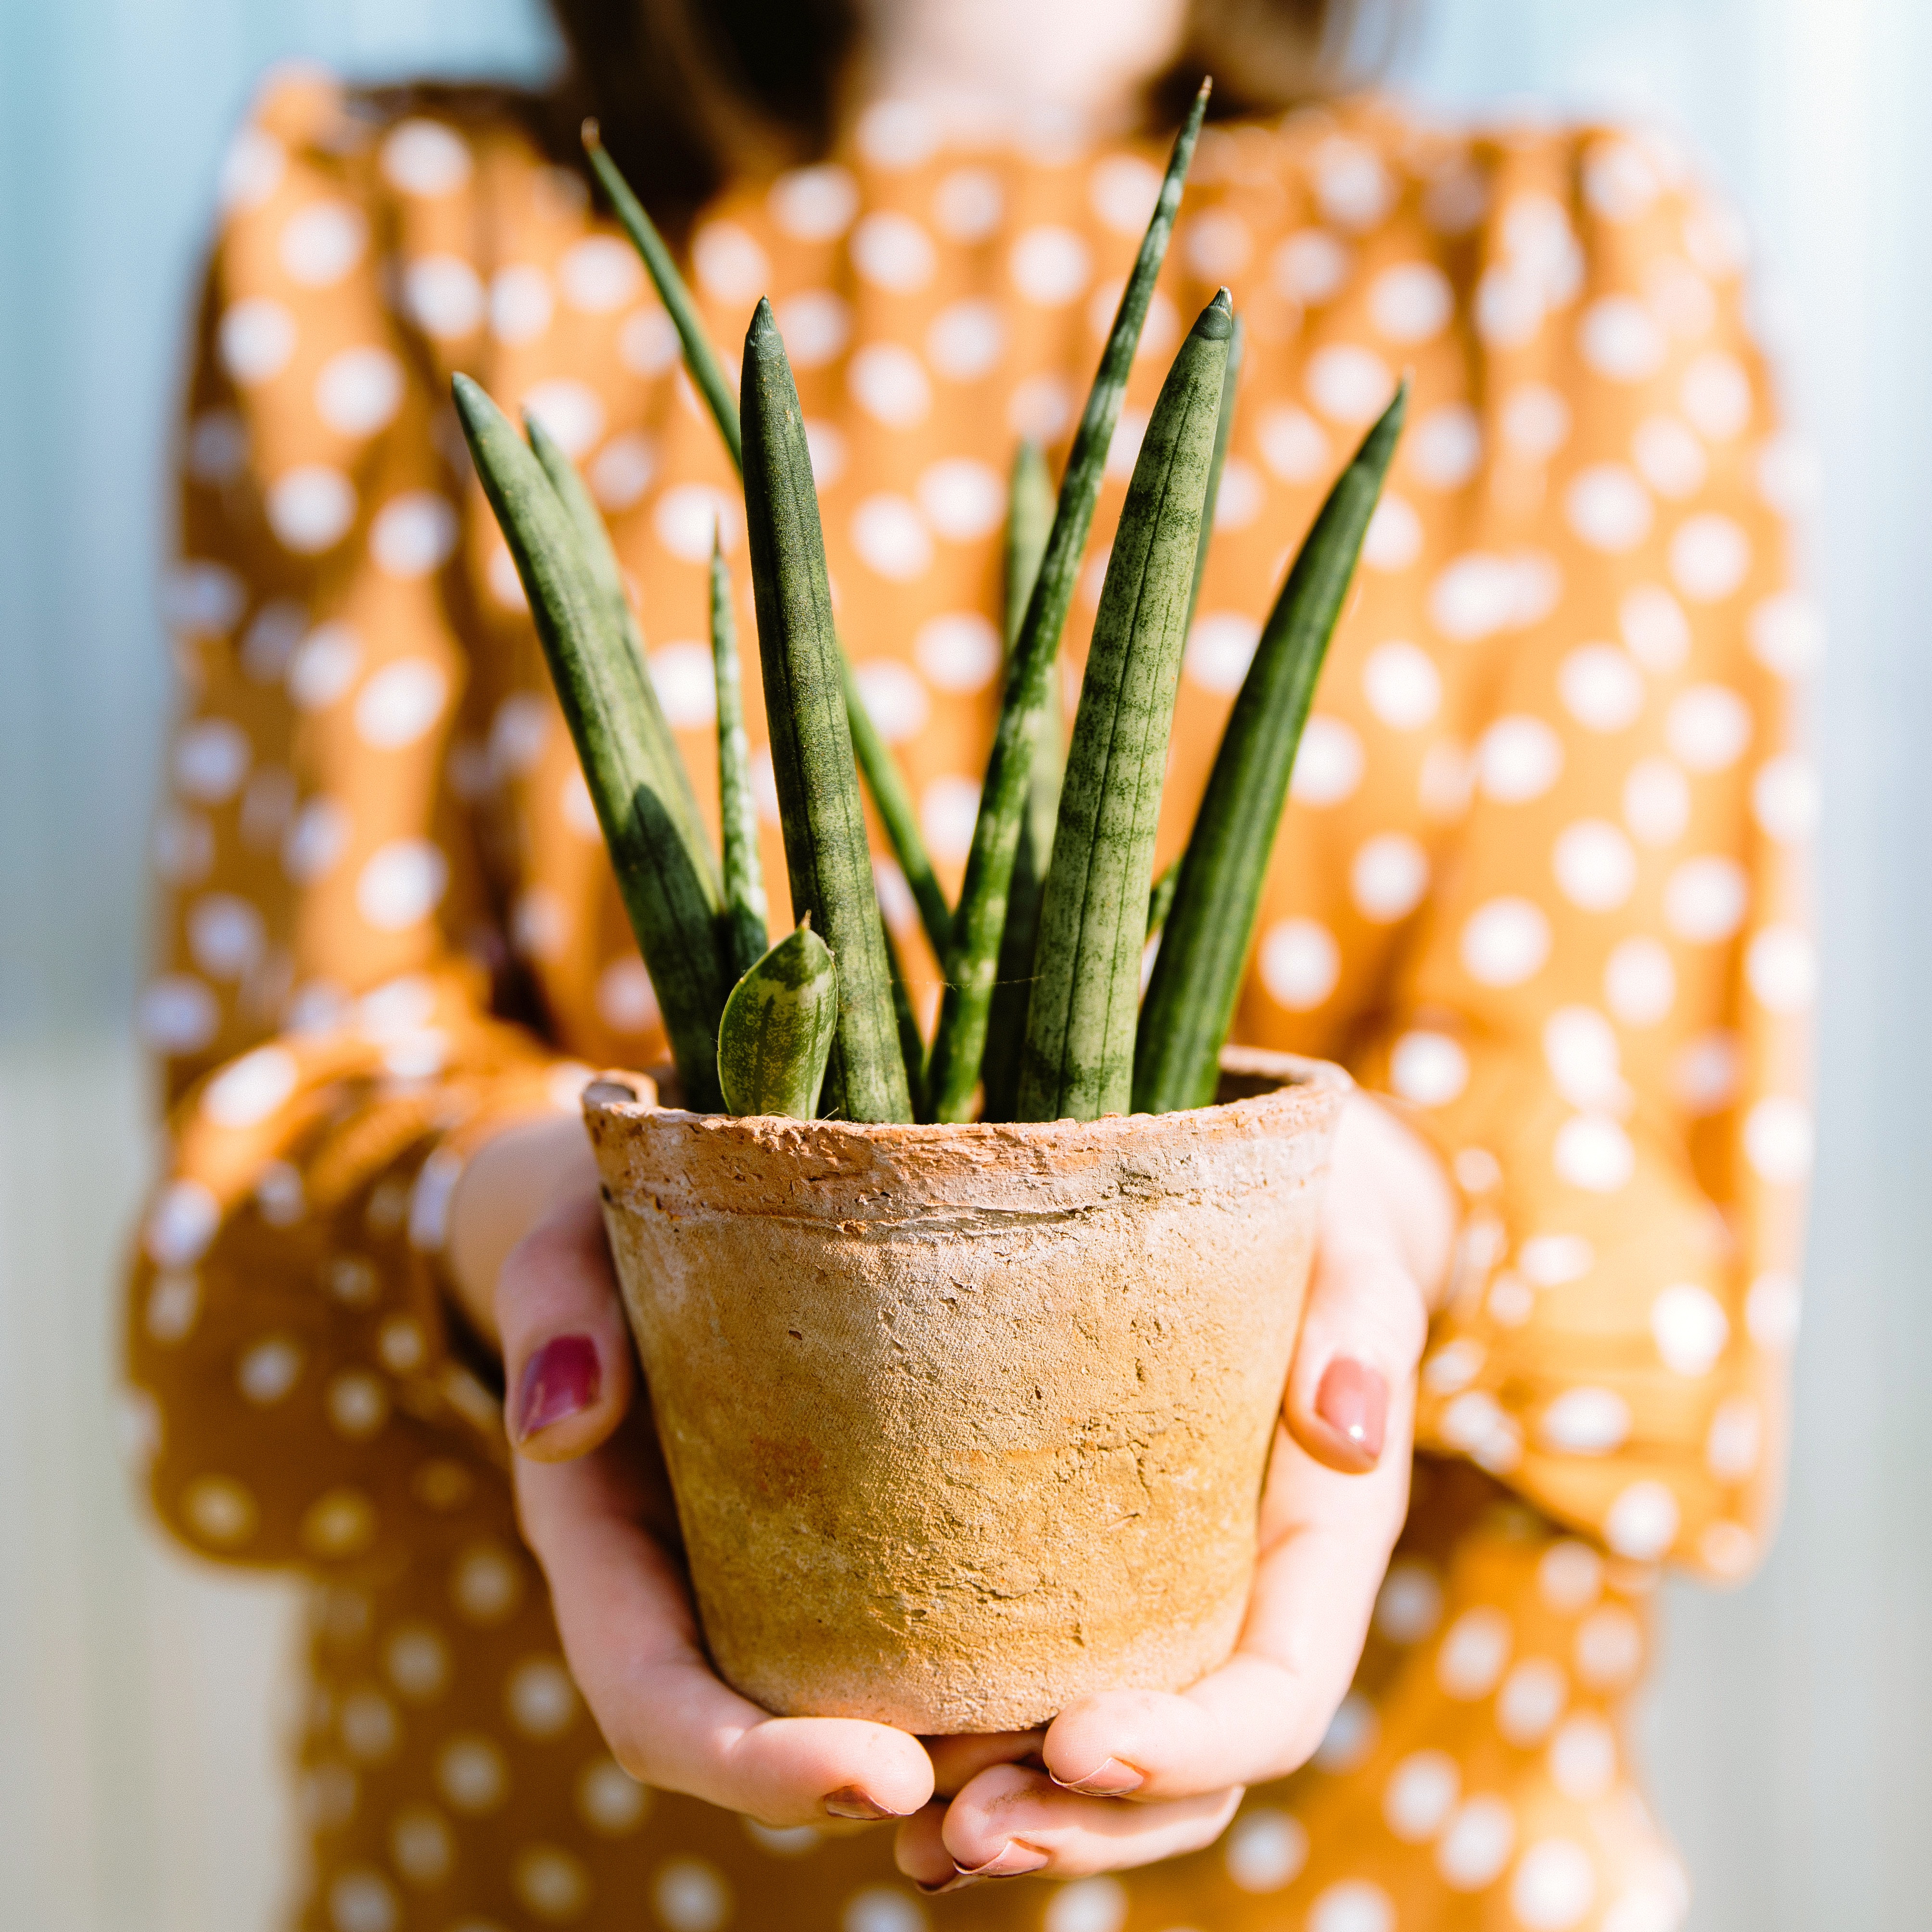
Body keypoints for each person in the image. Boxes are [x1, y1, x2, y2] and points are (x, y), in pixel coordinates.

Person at [127, 0, 1811, 1925]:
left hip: (1379, 1864)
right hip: (538, 1863)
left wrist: (1376, 1233)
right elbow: (280, 1141)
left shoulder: (1549, 267)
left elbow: (1630, 1169)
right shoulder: (412, 225)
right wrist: (557, 1250)